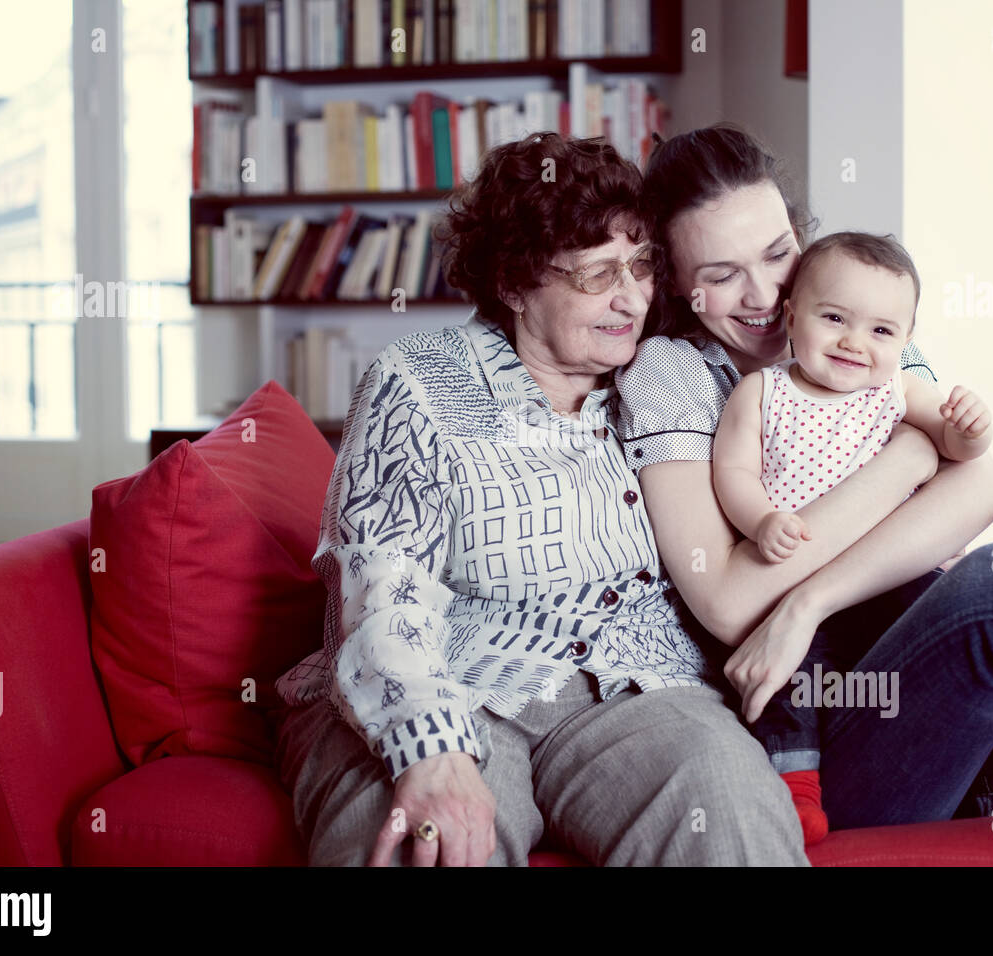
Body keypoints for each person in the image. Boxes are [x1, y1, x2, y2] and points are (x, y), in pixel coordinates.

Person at [616, 122, 993, 834]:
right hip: (833, 736)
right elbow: (732, 600)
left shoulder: (854, 319)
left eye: (777, 253)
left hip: (944, 705)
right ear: (676, 285)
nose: (766, 293)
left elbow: (981, 491)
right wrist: (909, 461)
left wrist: (808, 601)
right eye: (720, 275)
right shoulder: (669, 374)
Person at [270, 131, 809, 866]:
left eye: (642, 266)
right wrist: (428, 747)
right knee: (419, 840)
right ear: (515, 284)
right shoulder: (422, 381)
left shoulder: (669, 378)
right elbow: (381, 586)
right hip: (454, 678)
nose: (631, 298)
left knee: (728, 797)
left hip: (635, 687)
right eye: (595, 277)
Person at [707, 230, 993, 842]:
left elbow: (954, 447)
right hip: (800, 579)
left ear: (906, 342)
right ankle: (795, 783)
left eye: (881, 331)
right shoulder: (764, 392)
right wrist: (761, 519)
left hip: (888, 572)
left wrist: (971, 430)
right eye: (834, 317)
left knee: (956, 638)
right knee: (791, 668)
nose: (853, 343)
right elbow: (732, 471)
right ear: (791, 316)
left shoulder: (898, 392)